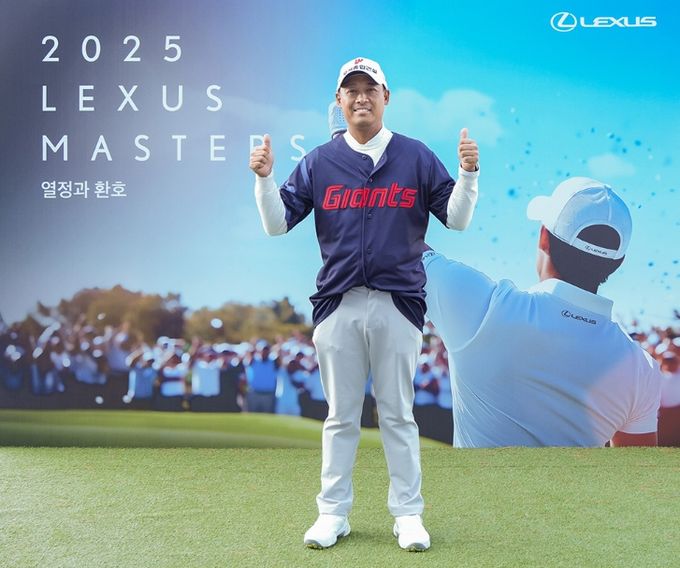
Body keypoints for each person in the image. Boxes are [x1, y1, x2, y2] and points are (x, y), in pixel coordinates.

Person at [249, 56, 480, 551]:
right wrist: (265, 179)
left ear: (385, 97)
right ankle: (332, 513)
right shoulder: (319, 161)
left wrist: (468, 174)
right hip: (339, 302)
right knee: (340, 416)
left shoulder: (416, 156)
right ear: (339, 100)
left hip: (399, 302)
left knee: (398, 414)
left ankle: (408, 515)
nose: (360, 98)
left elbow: (456, 219)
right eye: (350, 90)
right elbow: (276, 223)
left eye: (369, 89)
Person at [423, 177, 662, 448]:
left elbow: (395, 244)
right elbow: (634, 470)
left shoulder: (484, 306)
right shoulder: (641, 368)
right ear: (618, 263)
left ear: (544, 237)